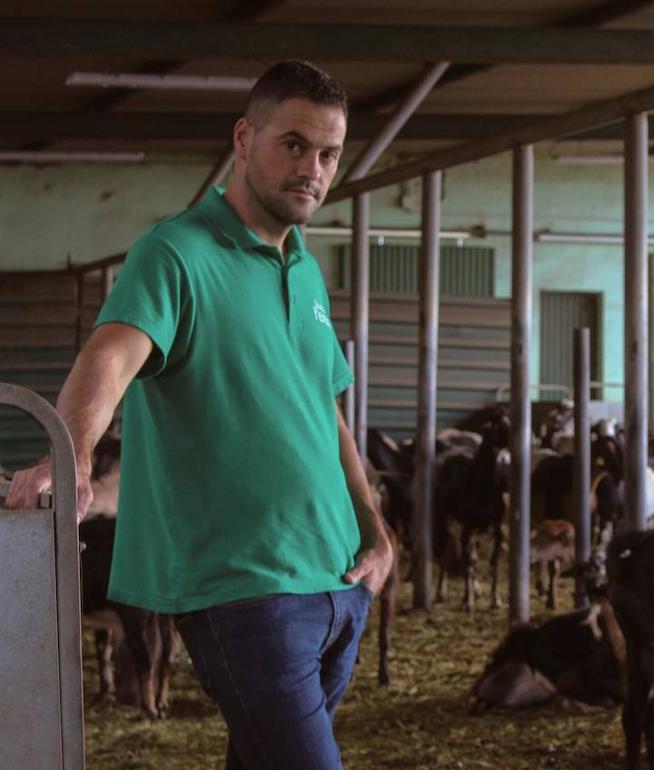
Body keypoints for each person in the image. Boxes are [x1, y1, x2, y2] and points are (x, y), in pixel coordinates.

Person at [4, 60, 393, 769]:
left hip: (339, 584)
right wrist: (75, 453)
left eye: (329, 154)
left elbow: (324, 409)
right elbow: (112, 355)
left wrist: (374, 527)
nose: (312, 169)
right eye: (294, 144)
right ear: (244, 139)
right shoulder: (176, 252)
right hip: (247, 589)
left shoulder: (306, 271)